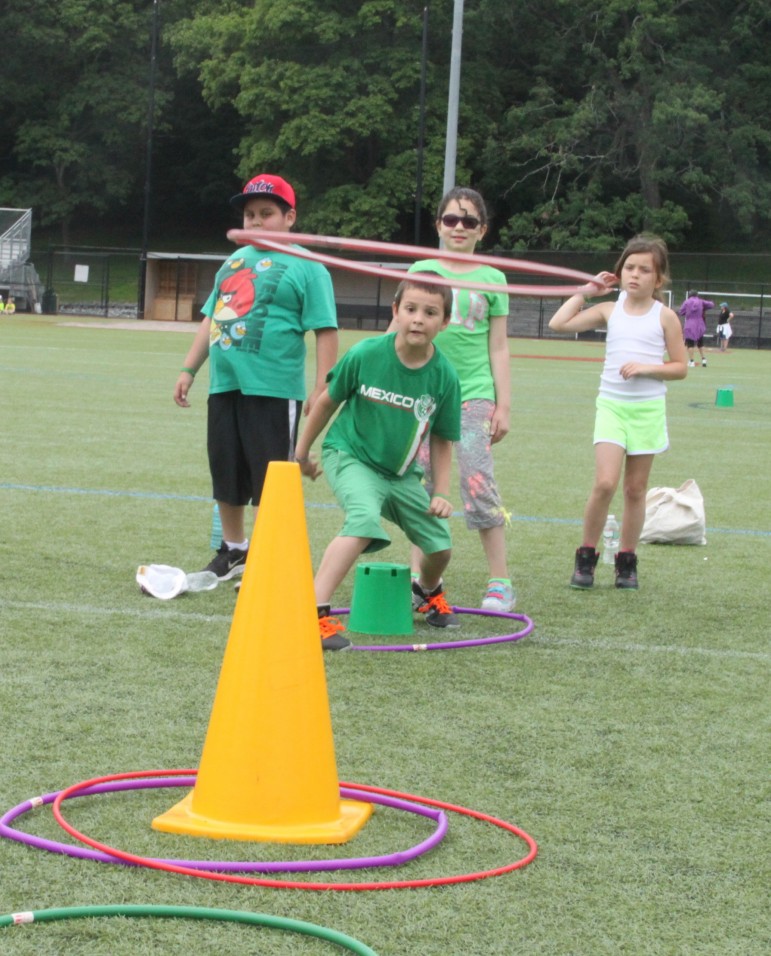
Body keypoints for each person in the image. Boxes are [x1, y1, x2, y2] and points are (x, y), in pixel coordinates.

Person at [173, 174, 339, 580]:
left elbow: (326, 330)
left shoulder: (308, 267)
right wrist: (188, 369)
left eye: (267, 213)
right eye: (250, 215)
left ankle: (268, 556)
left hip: (273, 387)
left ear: (289, 217)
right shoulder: (232, 262)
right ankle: (233, 550)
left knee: (272, 477)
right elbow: (211, 319)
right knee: (225, 468)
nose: (257, 221)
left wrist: (322, 387)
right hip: (226, 383)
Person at [294, 273, 462, 650]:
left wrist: (443, 491)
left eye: (431, 312)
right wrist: (302, 453)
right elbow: (326, 402)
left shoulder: (445, 377)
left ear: (445, 321)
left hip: (401, 476)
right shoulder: (366, 354)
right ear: (396, 312)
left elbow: (442, 438)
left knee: (439, 545)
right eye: (411, 309)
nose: (419, 319)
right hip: (350, 455)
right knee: (364, 519)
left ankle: (427, 592)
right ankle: (314, 611)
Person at [389, 186, 515, 612]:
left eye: (468, 221)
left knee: (477, 480)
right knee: (419, 484)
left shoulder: (494, 278)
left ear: (483, 229)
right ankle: (422, 580)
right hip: (424, 391)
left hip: (473, 393)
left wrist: (504, 404)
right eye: (450, 219)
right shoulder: (422, 268)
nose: (458, 227)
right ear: (439, 224)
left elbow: (498, 347)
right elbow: (398, 329)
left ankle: (499, 580)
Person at [548, 234, 688, 590]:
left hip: (647, 410)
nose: (635, 275)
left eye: (645, 270)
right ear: (620, 270)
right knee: (605, 483)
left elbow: (680, 367)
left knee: (636, 490)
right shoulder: (610, 310)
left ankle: (627, 561)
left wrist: (645, 367)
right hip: (611, 406)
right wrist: (586, 291)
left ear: (658, 280)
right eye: (629, 267)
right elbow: (559, 324)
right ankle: (586, 557)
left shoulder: (666, 317)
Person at [678, 290, 714, 367]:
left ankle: (691, 361)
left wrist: (687, 312)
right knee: (700, 343)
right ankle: (704, 359)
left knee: (690, 344)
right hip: (700, 324)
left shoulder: (687, 302)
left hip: (690, 324)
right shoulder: (701, 301)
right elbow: (711, 305)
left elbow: (681, 312)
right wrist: (703, 308)